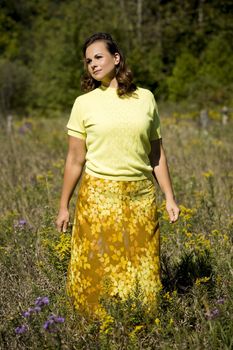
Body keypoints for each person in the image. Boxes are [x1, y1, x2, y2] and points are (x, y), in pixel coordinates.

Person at [56, 32, 179, 317]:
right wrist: (63, 206)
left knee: (143, 267)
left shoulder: (146, 99)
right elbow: (75, 159)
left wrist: (170, 198)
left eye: (98, 57)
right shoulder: (83, 103)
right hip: (98, 197)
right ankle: (94, 325)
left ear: (116, 58)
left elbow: (156, 155)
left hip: (140, 197)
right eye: (88, 61)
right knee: (96, 267)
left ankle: (142, 322)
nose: (93, 65)